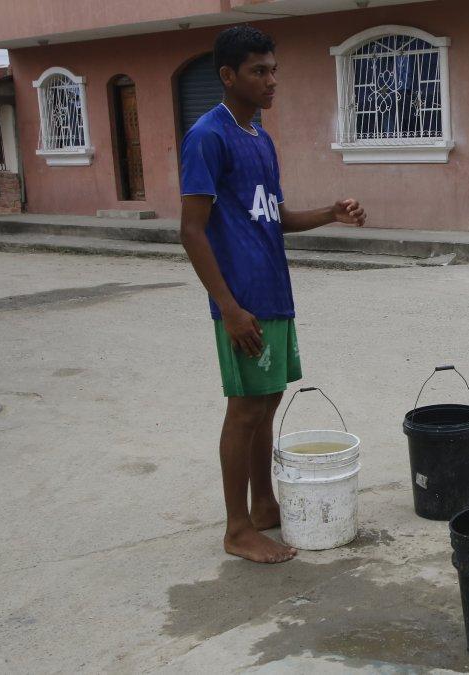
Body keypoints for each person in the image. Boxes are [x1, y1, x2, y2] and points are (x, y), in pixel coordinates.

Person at [179, 25, 366, 564]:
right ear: (228, 75)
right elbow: (191, 230)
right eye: (259, 71)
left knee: (267, 400)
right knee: (244, 409)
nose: (271, 80)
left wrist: (330, 213)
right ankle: (237, 529)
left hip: (274, 294)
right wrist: (230, 308)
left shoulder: (260, 138)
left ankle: (263, 506)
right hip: (242, 301)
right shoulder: (208, 136)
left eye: (273, 70)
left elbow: (274, 217)